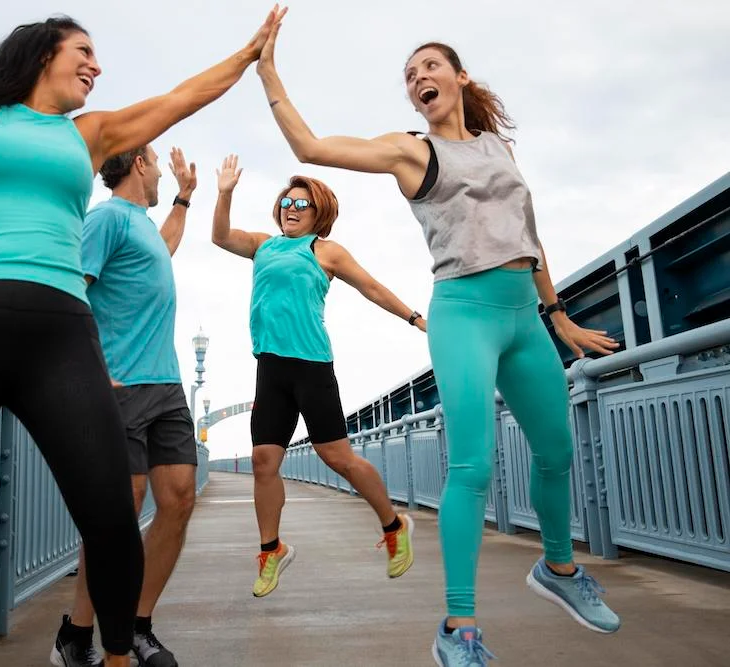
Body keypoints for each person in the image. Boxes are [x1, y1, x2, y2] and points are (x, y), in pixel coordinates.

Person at [0, 2, 287, 666]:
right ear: (42, 53)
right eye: (82, 51)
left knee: (112, 516)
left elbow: (180, 100)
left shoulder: (90, 134)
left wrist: (247, 54)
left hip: (59, 336)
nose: (96, 65)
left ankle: (115, 656)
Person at [253, 24, 622, 666]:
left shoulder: (499, 149)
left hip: (522, 318)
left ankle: (560, 571)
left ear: (459, 78)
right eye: (409, 75)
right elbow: (310, 146)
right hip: (463, 314)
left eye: (429, 66)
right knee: (474, 465)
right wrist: (268, 74)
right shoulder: (412, 152)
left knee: (558, 452)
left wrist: (557, 314)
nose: (418, 77)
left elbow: (527, 235)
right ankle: (460, 627)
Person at [211, 153, 425, 599]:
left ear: (318, 213)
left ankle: (393, 524)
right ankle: (272, 550)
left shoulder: (324, 251)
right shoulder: (263, 244)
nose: (291, 208)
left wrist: (414, 318)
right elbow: (219, 237)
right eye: (286, 201)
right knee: (263, 462)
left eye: (301, 204)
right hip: (270, 367)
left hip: (311, 367)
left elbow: (371, 288)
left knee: (338, 458)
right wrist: (225, 193)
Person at [51, 145, 199, 667]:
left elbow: (165, 248)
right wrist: (89, 368)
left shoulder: (140, 225)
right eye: (156, 162)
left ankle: (137, 625)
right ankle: (78, 632)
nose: (161, 170)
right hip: (121, 387)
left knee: (179, 499)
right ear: (138, 164)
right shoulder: (107, 219)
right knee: (121, 511)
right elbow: (72, 288)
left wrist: (184, 196)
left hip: (166, 385)